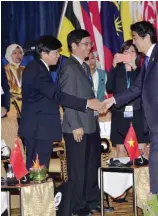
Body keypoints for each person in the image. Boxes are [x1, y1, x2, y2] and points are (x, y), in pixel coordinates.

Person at [103, 21, 158, 195]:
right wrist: (113, 100)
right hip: (156, 121)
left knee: (156, 163)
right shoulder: (148, 59)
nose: (134, 42)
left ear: (147, 37)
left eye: (135, 38)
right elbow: (136, 88)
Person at [18, 35, 102, 172]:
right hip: (38, 129)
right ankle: (37, 195)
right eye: (55, 52)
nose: (59, 55)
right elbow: (57, 95)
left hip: (40, 128)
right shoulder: (37, 70)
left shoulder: (38, 68)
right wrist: (87, 103)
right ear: (44, 53)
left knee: (37, 172)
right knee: (36, 173)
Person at [59, 30, 101, 216]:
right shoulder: (69, 67)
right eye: (85, 43)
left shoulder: (83, 66)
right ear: (73, 46)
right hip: (77, 127)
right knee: (78, 170)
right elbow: (67, 99)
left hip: (90, 125)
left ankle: (91, 202)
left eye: (90, 43)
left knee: (91, 167)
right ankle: (77, 207)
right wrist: (75, 124)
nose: (89, 47)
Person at [106, 39, 149, 159]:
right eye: (126, 51)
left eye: (132, 51)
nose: (129, 54)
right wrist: (113, 65)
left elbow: (142, 88)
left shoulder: (141, 70)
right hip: (120, 113)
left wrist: (134, 67)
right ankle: (123, 176)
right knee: (120, 149)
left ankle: (142, 177)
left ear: (137, 54)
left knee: (141, 148)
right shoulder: (117, 70)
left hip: (138, 113)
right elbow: (109, 87)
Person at [4, 44, 25, 117]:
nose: (18, 55)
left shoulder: (25, 69)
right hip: (10, 102)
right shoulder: (4, 70)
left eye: (20, 53)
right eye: (15, 53)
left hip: (26, 101)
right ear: (9, 55)